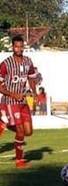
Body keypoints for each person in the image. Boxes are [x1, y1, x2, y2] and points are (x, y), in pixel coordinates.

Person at [0, 35, 38, 168]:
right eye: (16, 46)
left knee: (28, 132)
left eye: (21, 46)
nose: (19, 49)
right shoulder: (5, 64)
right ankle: (19, 160)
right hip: (9, 101)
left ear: (23, 47)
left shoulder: (28, 61)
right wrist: (13, 94)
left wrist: (34, 93)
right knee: (20, 131)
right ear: (12, 47)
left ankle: (4, 123)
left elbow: (32, 78)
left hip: (22, 102)